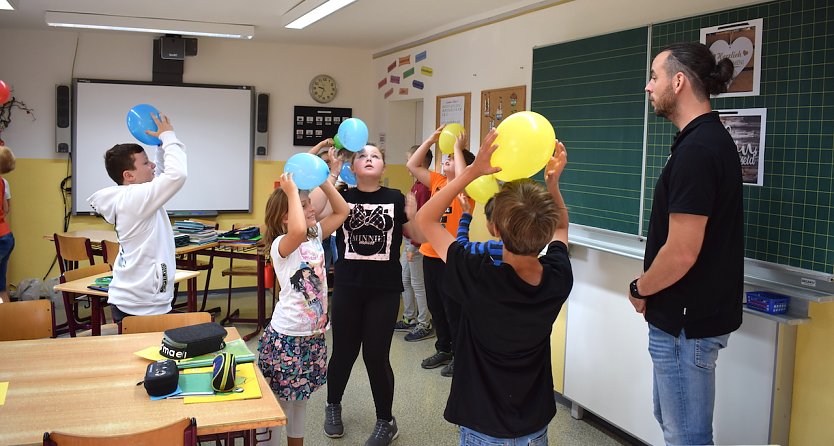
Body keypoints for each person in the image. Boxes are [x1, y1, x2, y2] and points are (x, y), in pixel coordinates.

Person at [415, 128, 572, 445]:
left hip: (482, 424)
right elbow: (563, 227)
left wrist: (472, 171)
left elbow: (426, 219)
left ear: (493, 228)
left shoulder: (476, 274)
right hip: (533, 425)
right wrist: (553, 185)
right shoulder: (557, 276)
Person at [631, 42, 742, 445]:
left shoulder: (698, 150)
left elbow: (681, 252)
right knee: (674, 423)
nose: (648, 87)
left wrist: (639, 288)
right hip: (682, 318)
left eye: (654, 76)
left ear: (678, 82)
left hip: (684, 323)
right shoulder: (702, 140)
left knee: (687, 437)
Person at [311, 143, 416, 446]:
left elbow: (417, 237)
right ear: (352, 167)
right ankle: (333, 406)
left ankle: (386, 420)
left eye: (376, 156)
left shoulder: (395, 199)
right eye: (362, 156)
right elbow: (316, 211)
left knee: (375, 355)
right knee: (343, 351)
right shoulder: (342, 196)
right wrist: (331, 172)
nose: (369, 159)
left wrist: (414, 213)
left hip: (384, 290)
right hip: (347, 287)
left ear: (383, 167)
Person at [258, 166, 348, 446]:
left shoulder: (313, 235)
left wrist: (324, 179)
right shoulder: (281, 245)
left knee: (299, 403)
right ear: (286, 216)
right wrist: (291, 192)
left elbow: (342, 211)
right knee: (279, 407)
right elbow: (297, 228)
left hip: (311, 336)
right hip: (287, 338)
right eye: (305, 205)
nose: (312, 209)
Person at [87, 113, 185, 323]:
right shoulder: (135, 199)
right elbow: (177, 176)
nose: (152, 166)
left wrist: (160, 147)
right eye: (146, 163)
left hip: (137, 300)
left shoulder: (133, 195)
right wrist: (168, 137)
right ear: (128, 176)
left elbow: (161, 176)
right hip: (142, 305)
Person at [406, 126, 475, 377]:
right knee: (436, 306)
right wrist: (431, 140)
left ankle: (459, 354)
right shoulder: (437, 181)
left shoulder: (466, 187)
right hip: (430, 253)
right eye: (445, 157)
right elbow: (413, 166)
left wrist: (458, 148)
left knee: (452, 308)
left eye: (451, 159)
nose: (445, 159)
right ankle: (443, 348)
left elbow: (463, 175)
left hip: (451, 257)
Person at [398, 144, 434, 342]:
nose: (407, 165)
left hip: (416, 243)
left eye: (409, 160)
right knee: (405, 280)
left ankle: (424, 322)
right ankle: (410, 317)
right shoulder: (417, 184)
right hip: (408, 240)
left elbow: (421, 220)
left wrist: (413, 246)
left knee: (417, 283)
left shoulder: (424, 188)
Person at [456, 194, 503, 265]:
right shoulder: (525, 249)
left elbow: (461, 246)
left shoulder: (492, 248)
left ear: (495, 228)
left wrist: (466, 214)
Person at [0, 146, 15, 304]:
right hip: (6, 237)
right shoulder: (3, 182)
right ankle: (7, 324)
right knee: (1, 288)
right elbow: (5, 209)